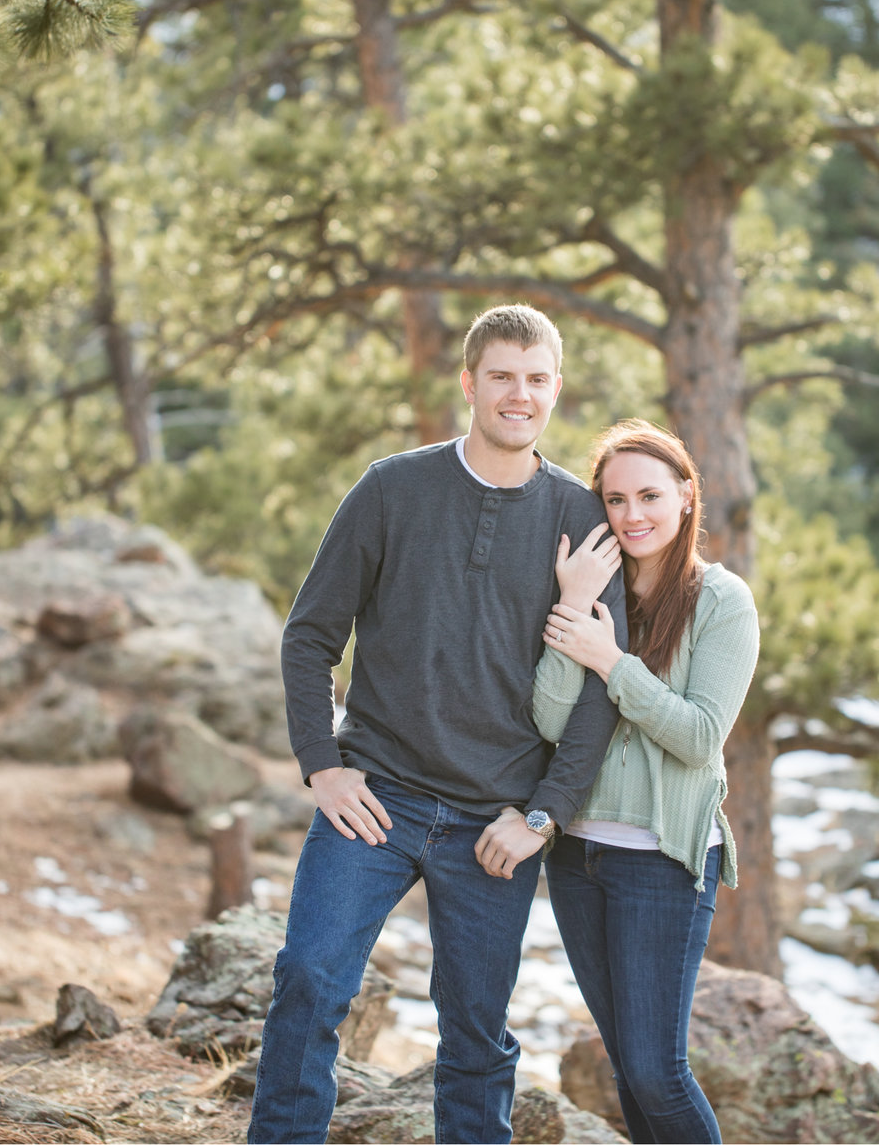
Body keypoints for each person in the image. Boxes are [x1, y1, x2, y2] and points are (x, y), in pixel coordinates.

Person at [254, 305, 630, 1144]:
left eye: (536, 380)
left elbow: (604, 690)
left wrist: (541, 815)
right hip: (375, 799)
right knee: (310, 980)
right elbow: (311, 634)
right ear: (469, 382)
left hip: (490, 824)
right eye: (501, 376)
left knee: (475, 1031)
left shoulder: (580, 516)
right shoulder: (393, 488)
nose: (518, 395)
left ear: (556, 390)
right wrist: (322, 763)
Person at [530, 420, 759, 1145]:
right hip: (577, 857)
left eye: (650, 495)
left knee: (658, 1070)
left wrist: (611, 662)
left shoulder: (723, 603)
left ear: (687, 496)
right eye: (617, 498)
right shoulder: (598, 592)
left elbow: (698, 738)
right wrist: (575, 602)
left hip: (661, 860)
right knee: (629, 1067)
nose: (633, 515)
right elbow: (548, 718)